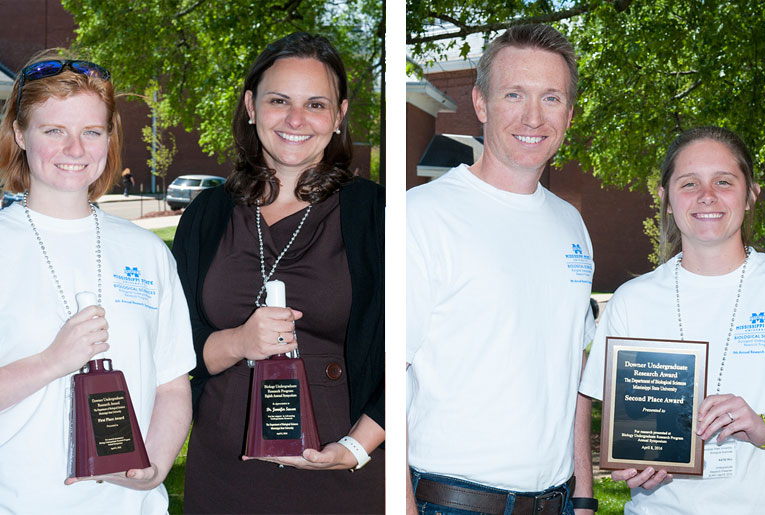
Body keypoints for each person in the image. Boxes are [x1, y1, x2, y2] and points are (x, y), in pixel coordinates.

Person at [172, 32, 384, 514]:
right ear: (250, 106)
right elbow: (174, 343)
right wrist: (239, 342)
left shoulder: (377, 216)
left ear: (339, 115)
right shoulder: (206, 215)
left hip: (337, 476)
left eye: (315, 104)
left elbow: (417, 351)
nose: (295, 119)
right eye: (278, 100)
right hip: (224, 477)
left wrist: (355, 448)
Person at [406, 24, 597, 515]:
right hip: (451, 502)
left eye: (551, 98)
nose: (533, 116)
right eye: (515, 94)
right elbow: (388, 373)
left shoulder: (571, 224)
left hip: (555, 502)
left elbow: (572, 367)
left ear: (570, 114)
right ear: (481, 103)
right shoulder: (422, 216)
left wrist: (584, 494)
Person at [0, 50, 195, 514]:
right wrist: (52, 361)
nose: (75, 150)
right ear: (20, 135)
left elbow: (172, 384)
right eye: (54, 131)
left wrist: (158, 465)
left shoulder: (147, 252)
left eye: (91, 132)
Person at [579, 126, 765, 514]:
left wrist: (764, 431)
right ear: (666, 199)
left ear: (751, 195)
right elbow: (624, 427)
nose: (707, 196)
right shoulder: (632, 302)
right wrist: (632, 462)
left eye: (723, 181)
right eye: (689, 183)